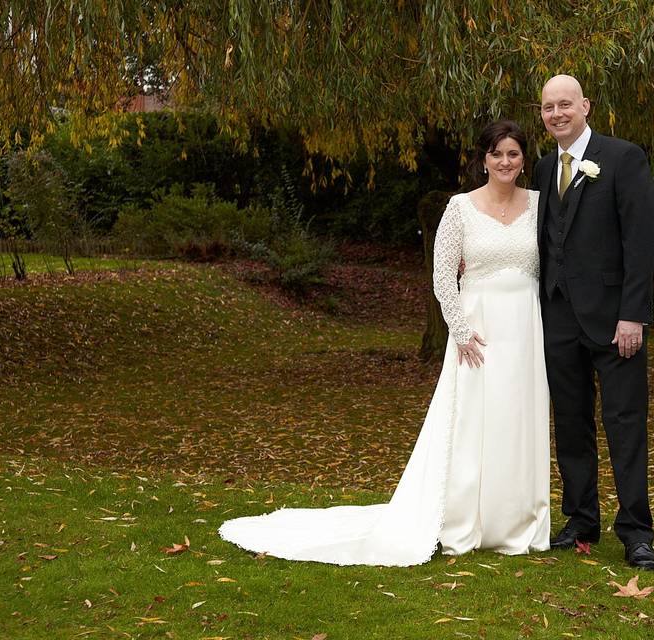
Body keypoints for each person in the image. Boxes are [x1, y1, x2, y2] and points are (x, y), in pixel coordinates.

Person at [219, 120, 550, 565]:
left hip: (527, 329)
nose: (505, 162)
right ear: (483, 160)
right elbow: (442, 275)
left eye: (513, 153)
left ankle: (518, 522)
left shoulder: (540, 204)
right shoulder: (460, 208)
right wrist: (460, 330)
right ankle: (467, 519)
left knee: (519, 420)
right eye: (497, 154)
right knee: (475, 422)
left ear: (523, 158)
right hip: (479, 332)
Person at [532, 75, 654, 570]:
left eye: (565, 104)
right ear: (541, 115)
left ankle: (636, 531)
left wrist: (633, 314)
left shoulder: (624, 157)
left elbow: (640, 241)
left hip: (614, 320)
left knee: (625, 423)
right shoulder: (543, 168)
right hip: (559, 317)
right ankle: (581, 519)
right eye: (548, 107)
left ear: (585, 105)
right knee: (571, 423)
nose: (557, 113)